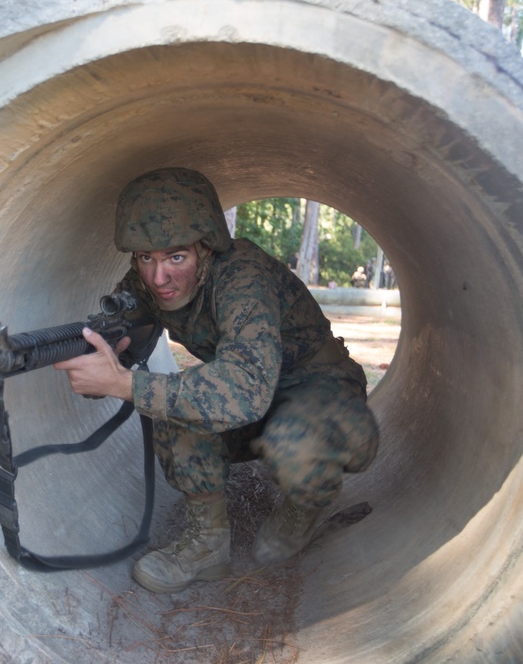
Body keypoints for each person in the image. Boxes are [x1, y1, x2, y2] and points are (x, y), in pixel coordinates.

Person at [54, 168, 379, 594]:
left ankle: (307, 500)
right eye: (144, 257)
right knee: (175, 408)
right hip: (255, 397)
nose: (158, 278)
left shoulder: (242, 276)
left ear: (206, 247)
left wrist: (123, 384)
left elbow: (243, 390)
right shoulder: (146, 281)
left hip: (315, 386)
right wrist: (104, 351)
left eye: (176, 257)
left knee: (295, 442)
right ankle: (207, 545)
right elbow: (124, 325)